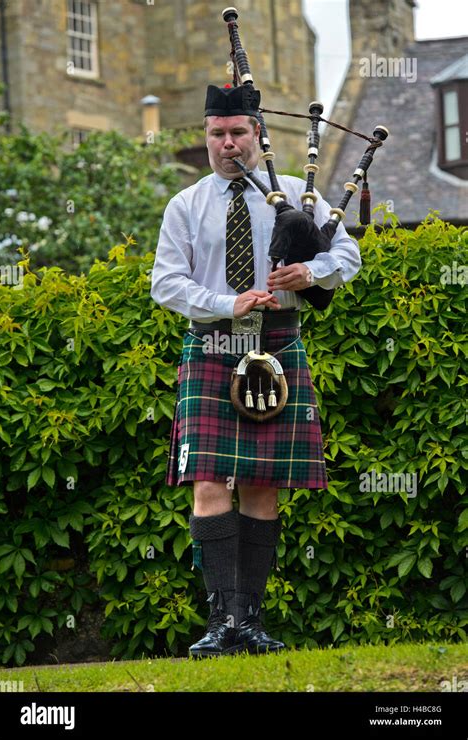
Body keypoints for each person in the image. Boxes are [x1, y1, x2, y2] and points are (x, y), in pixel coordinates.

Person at [150, 84, 361, 658]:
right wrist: (228, 303)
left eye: (238, 132)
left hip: (278, 347)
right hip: (213, 344)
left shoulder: (298, 195)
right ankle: (221, 623)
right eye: (217, 134)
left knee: (265, 486)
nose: (228, 144)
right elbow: (165, 283)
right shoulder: (187, 204)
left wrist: (310, 274)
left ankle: (252, 621)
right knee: (209, 483)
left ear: (258, 135)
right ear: (207, 137)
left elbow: (347, 257)